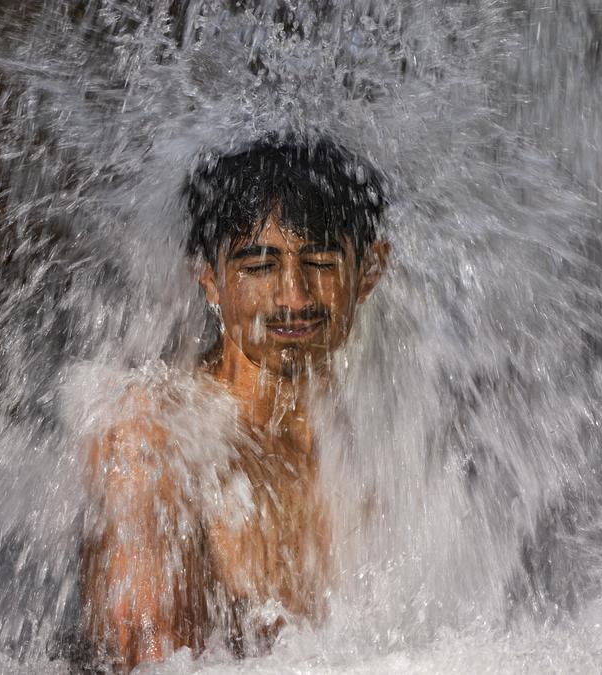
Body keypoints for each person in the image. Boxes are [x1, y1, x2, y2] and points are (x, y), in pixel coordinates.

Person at [79, 137, 389, 672]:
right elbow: (150, 661)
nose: (294, 296)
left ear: (370, 270)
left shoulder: (390, 440)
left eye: (320, 260)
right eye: (259, 267)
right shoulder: (154, 436)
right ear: (209, 279)